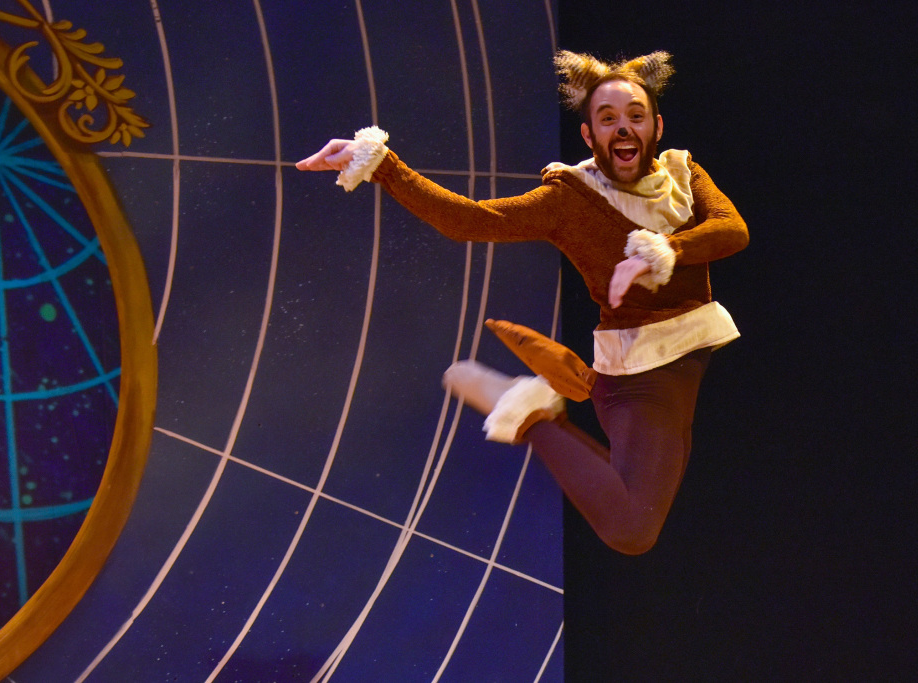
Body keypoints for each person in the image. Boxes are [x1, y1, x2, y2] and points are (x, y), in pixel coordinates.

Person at [296, 50, 748, 555]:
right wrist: (383, 165)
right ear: (589, 136)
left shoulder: (683, 176)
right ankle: (528, 410)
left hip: (660, 374)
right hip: (647, 377)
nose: (623, 128)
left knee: (634, 509)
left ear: (656, 127)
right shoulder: (570, 199)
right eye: (608, 119)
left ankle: (546, 406)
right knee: (631, 529)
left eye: (635, 116)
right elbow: (468, 220)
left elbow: (732, 229)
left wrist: (663, 250)